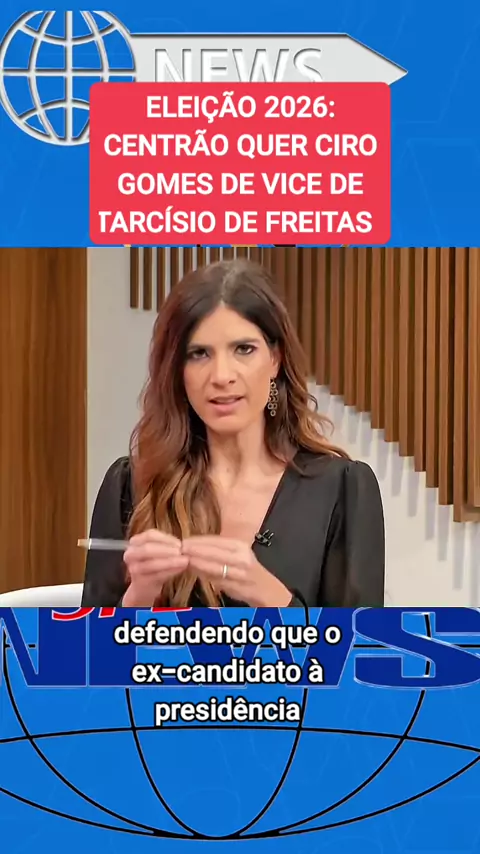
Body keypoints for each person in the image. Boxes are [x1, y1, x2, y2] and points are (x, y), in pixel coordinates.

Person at [81, 258, 385, 609]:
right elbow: (85, 643)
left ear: (275, 359)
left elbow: (359, 643)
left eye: (244, 349)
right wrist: (142, 591)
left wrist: (269, 595)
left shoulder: (342, 490)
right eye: (199, 354)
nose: (222, 375)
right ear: (178, 371)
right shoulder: (131, 486)